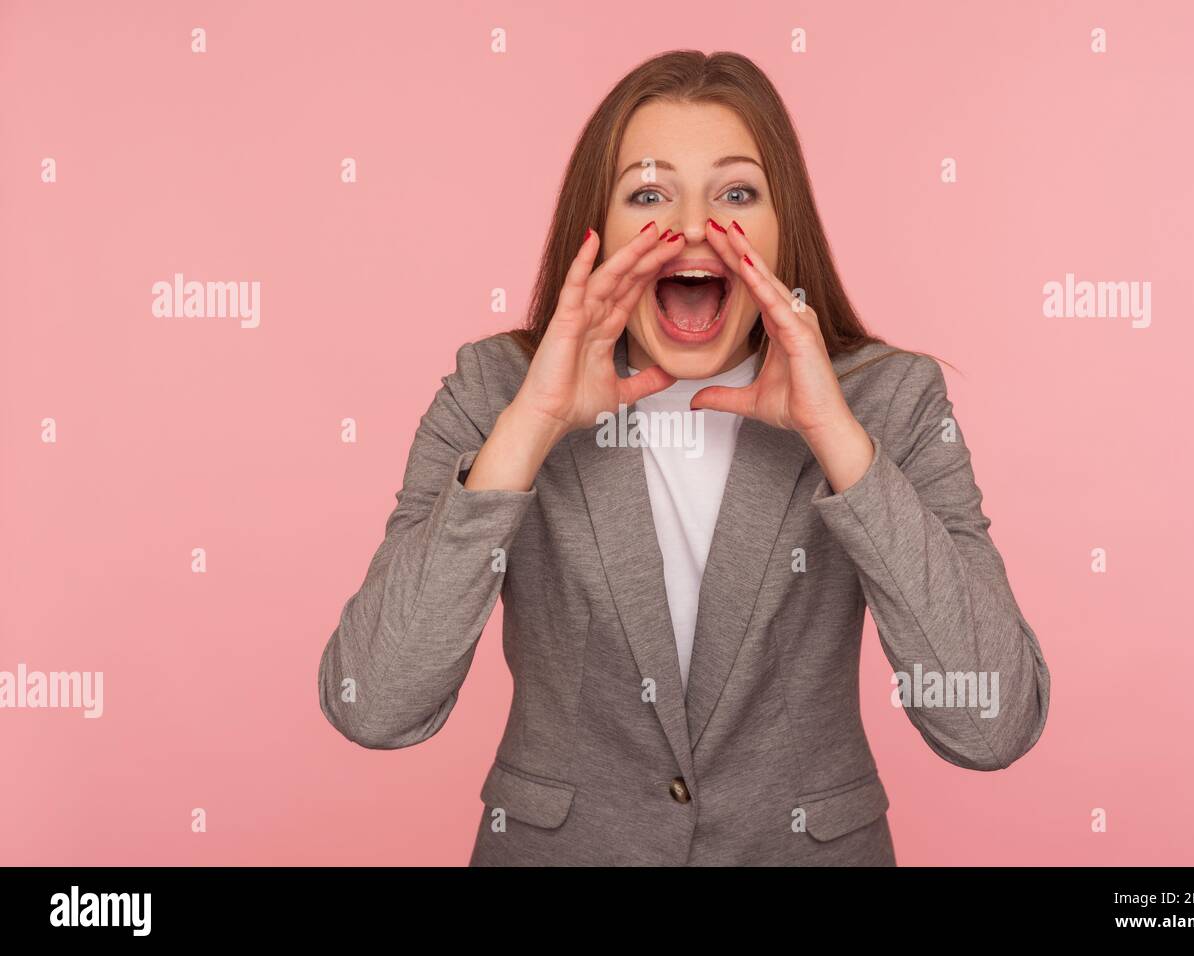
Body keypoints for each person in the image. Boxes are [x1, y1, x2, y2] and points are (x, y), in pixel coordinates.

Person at [317, 49, 1050, 866]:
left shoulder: (891, 400)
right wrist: (532, 425)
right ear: (595, 228)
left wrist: (839, 440)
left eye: (737, 193)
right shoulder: (495, 391)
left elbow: (994, 724)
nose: (695, 227)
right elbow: (374, 704)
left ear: (784, 230)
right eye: (649, 194)